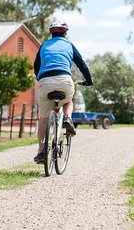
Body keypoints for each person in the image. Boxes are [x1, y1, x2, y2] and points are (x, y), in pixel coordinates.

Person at [33, 19, 93, 163]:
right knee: (68, 101)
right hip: (64, 80)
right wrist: (89, 81)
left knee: (43, 120)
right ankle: (67, 118)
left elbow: (36, 66)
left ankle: (41, 151)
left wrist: (40, 78)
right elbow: (82, 65)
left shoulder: (44, 45)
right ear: (65, 34)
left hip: (45, 81)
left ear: (51, 33)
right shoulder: (69, 45)